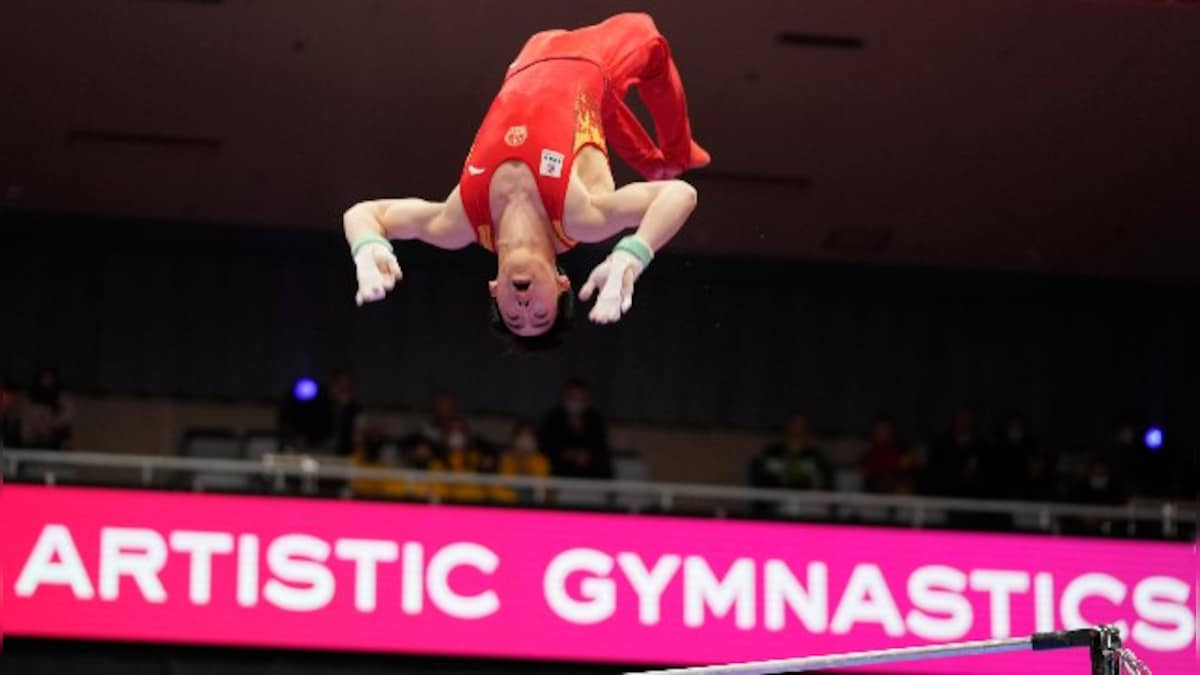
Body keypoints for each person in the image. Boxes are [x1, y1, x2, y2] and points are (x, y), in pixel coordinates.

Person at [343, 13, 709, 348]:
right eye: (540, 314)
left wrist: (367, 247)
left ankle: (657, 161)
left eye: (515, 316)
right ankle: (675, 156)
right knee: (652, 47)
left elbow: (362, 213)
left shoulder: (459, 222)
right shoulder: (580, 218)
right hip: (597, 61)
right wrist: (633, 254)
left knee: (617, 119)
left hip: (530, 57)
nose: (524, 305)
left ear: (493, 291)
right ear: (562, 285)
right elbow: (680, 195)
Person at [539, 377, 612, 479]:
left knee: (604, 466)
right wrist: (568, 454)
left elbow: (601, 448)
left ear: (587, 401)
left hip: (589, 471)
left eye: (580, 399)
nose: (576, 402)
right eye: (572, 398)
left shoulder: (595, 420)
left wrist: (588, 456)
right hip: (560, 470)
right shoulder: (552, 419)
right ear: (564, 397)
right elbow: (546, 448)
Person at [13, 368, 74, 450]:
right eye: (44, 378)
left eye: (49, 378)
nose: (46, 381)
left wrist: (52, 422)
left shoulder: (61, 398)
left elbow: (68, 414)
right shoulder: (29, 398)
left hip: (52, 435)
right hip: (30, 437)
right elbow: (24, 416)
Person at [493, 420, 552, 504]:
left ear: (536, 442)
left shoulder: (542, 461)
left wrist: (525, 461)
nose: (524, 442)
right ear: (513, 439)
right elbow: (506, 482)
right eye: (520, 437)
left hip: (534, 502)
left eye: (529, 438)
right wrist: (519, 460)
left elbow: (539, 488)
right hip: (510, 501)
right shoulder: (506, 458)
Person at [860, 414, 917, 494]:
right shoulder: (869, 452)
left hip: (897, 490)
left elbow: (906, 470)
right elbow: (866, 474)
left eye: (886, 429)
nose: (883, 433)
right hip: (875, 492)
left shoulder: (901, 450)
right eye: (880, 429)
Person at [329, 371, 363, 457]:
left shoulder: (355, 409)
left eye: (347, 386)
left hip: (346, 454)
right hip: (323, 452)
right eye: (340, 385)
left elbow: (358, 434)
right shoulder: (324, 406)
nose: (343, 388)